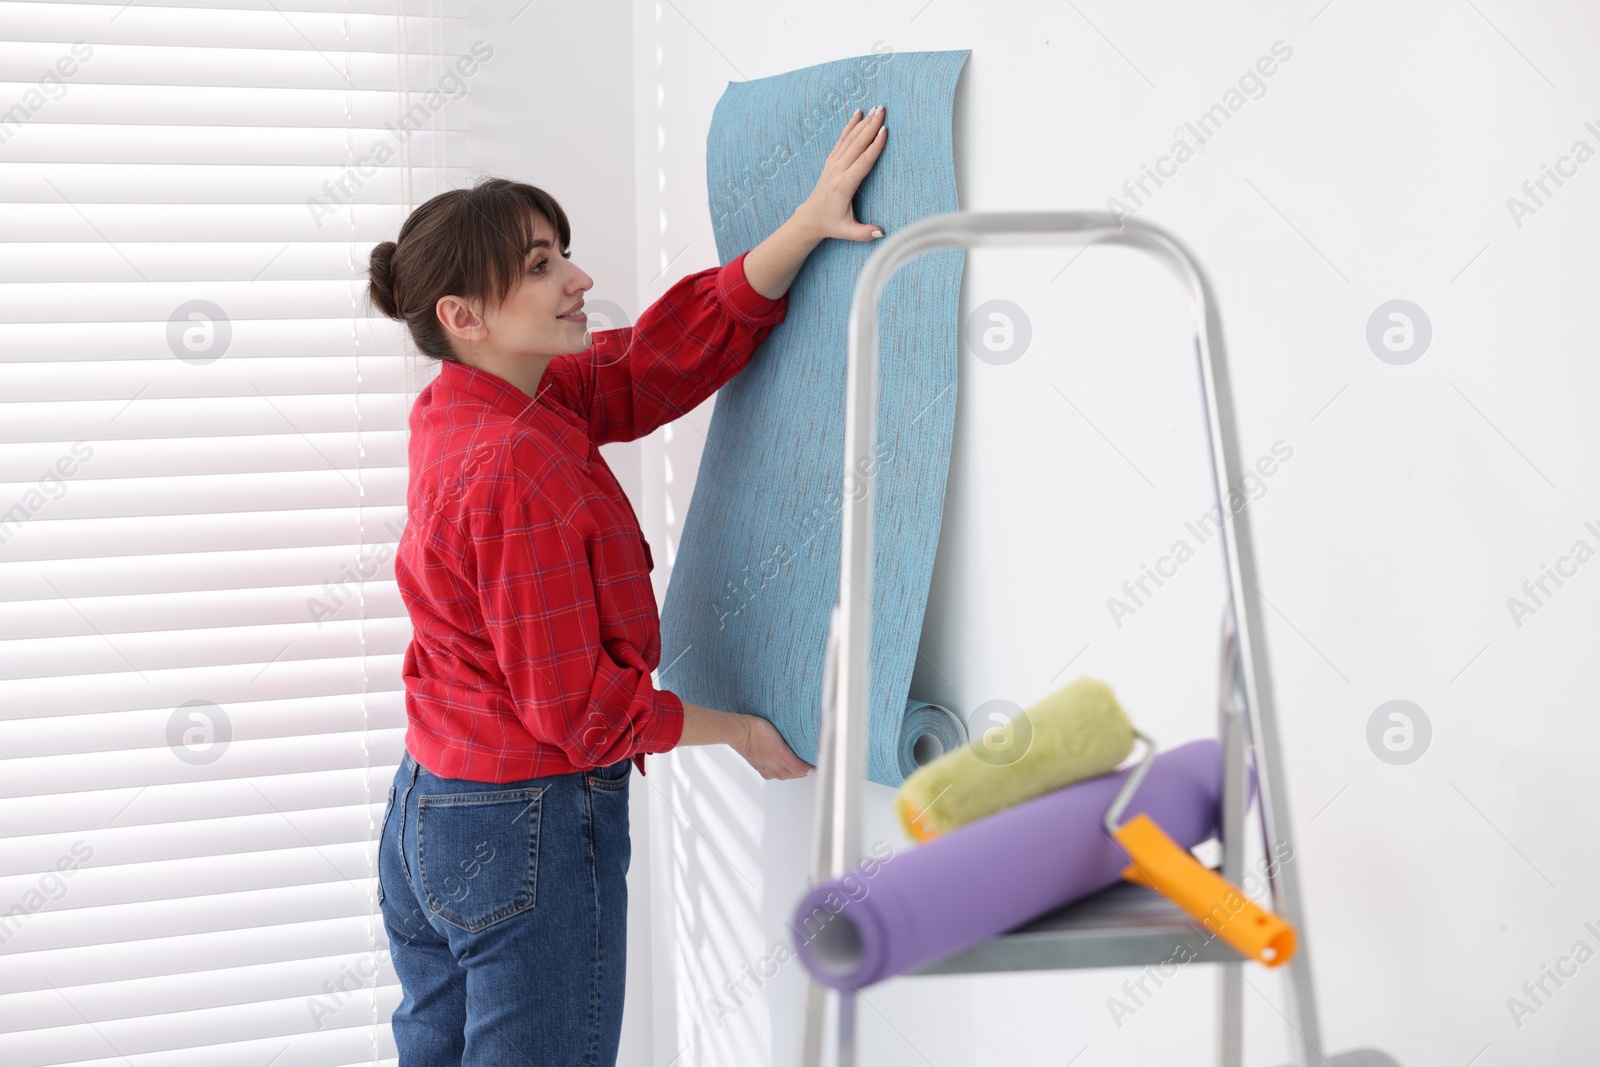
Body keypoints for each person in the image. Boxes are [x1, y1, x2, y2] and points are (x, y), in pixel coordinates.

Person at [365, 104, 890, 1065]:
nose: (579, 278)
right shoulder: (511, 466)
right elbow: (578, 711)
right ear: (462, 316)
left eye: (560, 252)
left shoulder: (474, 399)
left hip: (430, 816)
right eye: (539, 266)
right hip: (521, 826)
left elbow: (651, 362)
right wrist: (734, 729)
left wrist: (809, 222)